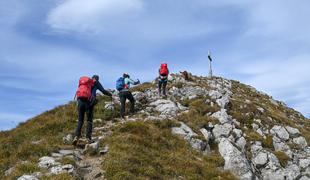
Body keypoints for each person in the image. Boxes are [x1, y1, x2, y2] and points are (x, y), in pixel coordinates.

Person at [73, 75, 112, 145]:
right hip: (89, 102)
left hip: (80, 101)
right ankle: (88, 138)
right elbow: (103, 91)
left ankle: (76, 136)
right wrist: (110, 94)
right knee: (89, 120)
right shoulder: (96, 82)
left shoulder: (86, 83)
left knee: (80, 120)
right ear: (97, 79)